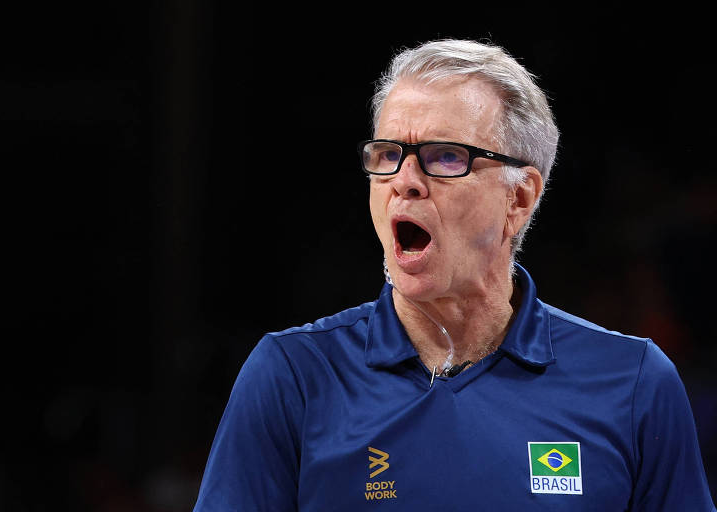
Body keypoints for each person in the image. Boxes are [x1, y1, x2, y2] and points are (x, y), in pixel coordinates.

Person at [193, 39, 715, 511]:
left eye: (445, 157)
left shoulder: (634, 383)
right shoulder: (293, 376)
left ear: (520, 198)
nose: (405, 181)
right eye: (389, 154)